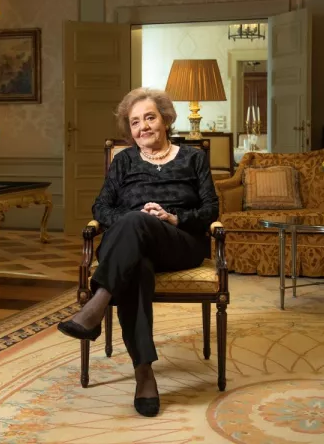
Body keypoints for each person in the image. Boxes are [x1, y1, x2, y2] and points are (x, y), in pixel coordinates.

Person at [57, 87, 219, 417]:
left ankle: (98, 302)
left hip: (178, 242)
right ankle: (144, 373)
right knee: (137, 265)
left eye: (149, 118)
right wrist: (134, 219)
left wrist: (173, 217)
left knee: (135, 225)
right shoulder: (124, 161)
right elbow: (101, 208)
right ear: (129, 129)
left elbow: (211, 209)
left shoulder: (193, 158)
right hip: (130, 246)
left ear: (165, 120)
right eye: (135, 122)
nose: (143, 127)